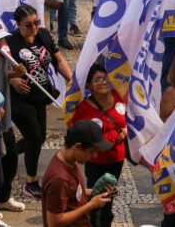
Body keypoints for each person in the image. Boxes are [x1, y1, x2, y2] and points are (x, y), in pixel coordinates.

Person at [6, 4, 73, 199]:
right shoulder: (10, 42)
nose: (33, 28)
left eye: (36, 23)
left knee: (38, 138)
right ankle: (31, 183)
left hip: (41, 94)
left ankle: (6, 154)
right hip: (19, 98)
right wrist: (12, 78)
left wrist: (73, 81)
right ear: (18, 25)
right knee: (35, 138)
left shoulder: (44, 35)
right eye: (28, 25)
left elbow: (59, 61)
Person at [69, 63, 127, 227]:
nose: (103, 82)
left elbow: (130, 119)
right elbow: (76, 134)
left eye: (105, 78)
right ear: (89, 85)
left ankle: (106, 222)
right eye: (98, 79)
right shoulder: (84, 109)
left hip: (117, 158)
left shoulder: (119, 98)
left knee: (110, 197)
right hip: (96, 161)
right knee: (95, 196)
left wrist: (126, 128)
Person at [42, 120, 115, 227]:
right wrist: (90, 205)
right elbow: (54, 222)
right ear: (78, 146)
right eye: (91, 151)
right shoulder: (59, 179)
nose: (94, 156)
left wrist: (95, 192)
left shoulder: (70, 160)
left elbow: (72, 192)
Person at [0, 18, 28, 217]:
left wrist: (16, 74)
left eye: (1, 38)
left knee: (10, 159)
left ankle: (4, 198)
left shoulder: (4, 55)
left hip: (5, 121)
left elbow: (6, 76)